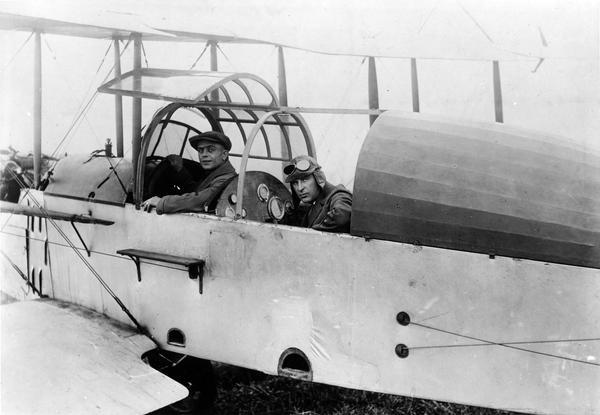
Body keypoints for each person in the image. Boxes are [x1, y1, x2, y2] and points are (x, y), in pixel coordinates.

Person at [142, 131, 237, 214]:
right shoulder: (214, 174)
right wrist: (180, 170)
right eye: (200, 150)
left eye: (210, 150)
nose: (204, 155)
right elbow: (196, 190)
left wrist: (162, 202)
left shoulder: (226, 179)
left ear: (224, 154)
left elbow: (199, 200)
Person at [283, 155, 352, 233]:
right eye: (295, 183)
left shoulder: (339, 196)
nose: (300, 188)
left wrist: (309, 233)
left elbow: (340, 216)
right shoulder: (313, 203)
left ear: (318, 178)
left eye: (304, 180)